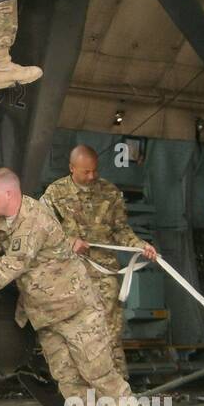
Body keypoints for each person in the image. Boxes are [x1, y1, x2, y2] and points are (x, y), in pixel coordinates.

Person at [0, 169, 149, 406]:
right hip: (44, 315)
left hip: (75, 310)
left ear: (9, 194)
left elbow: (14, 262)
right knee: (68, 379)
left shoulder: (34, 219)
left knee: (99, 373)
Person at [41, 144, 158, 381]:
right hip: (70, 275)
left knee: (110, 331)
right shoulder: (55, 193)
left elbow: (121, 230)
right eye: (86, 172)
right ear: (72, 168)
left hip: (104, 274)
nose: (92, 176)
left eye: (94, 170)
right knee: (74, 333)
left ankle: (117, 386)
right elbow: (41, 231)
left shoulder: (109, 192)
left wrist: (139, 245)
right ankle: (80, 387)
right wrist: (70, 240)